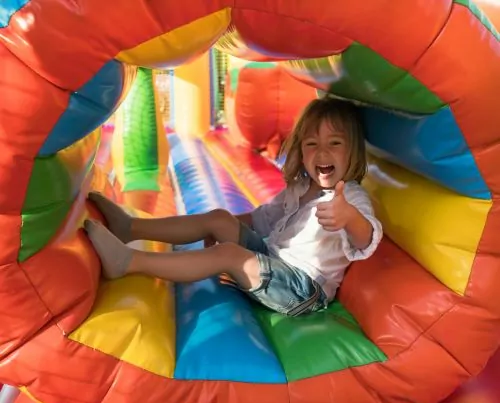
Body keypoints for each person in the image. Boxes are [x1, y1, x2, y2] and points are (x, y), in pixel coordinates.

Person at [84, 97, 383, 316]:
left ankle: (129, 262)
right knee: (220, 217)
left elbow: (366, 238)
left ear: (353, 150)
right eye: (312, 144)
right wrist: (224, 227)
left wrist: (349, 217)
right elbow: (259, 219)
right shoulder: (302, 188)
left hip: (303, 289)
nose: (322, 153)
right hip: (274, 259)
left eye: (334, 143)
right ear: (301, 151)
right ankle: (130, 227)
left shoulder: (350, 197)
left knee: (228, 255)